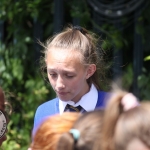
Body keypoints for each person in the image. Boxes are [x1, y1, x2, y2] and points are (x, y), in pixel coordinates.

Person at [33, 25, 110, 132]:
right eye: (52, 74)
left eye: (69, 76)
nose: (59, 84)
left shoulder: (114, 109)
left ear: (89, 71)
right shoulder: (44, 112)